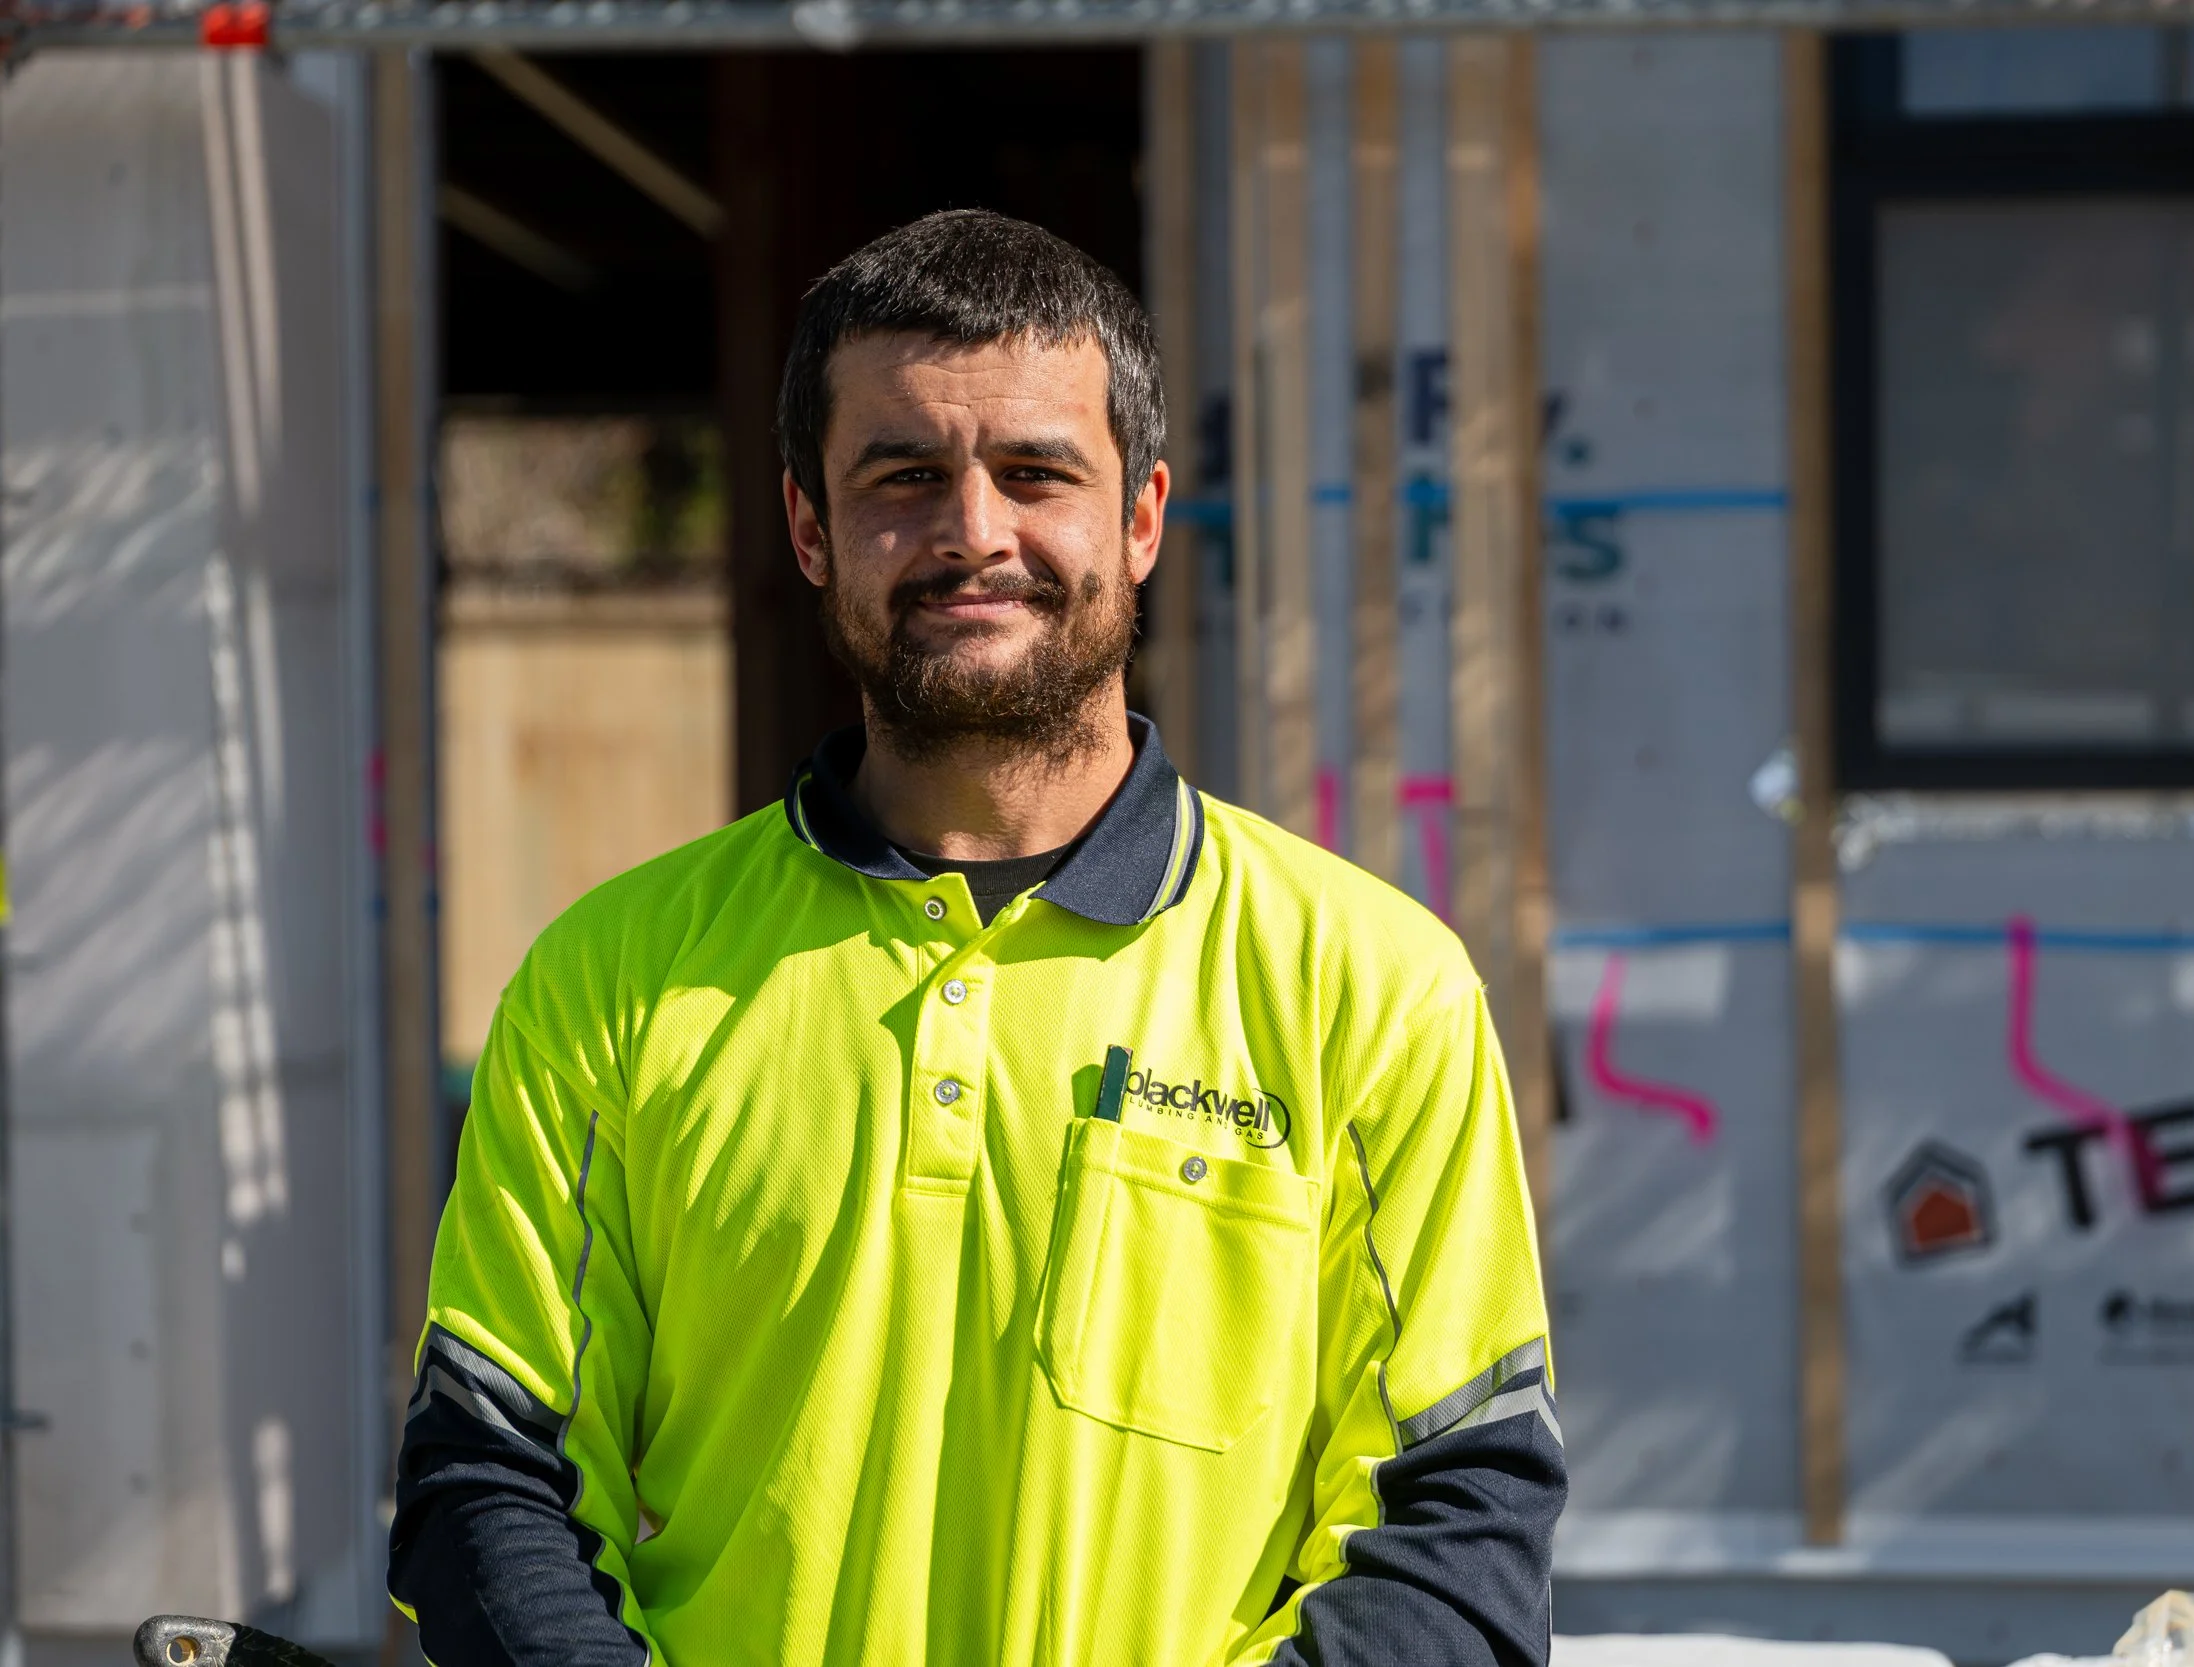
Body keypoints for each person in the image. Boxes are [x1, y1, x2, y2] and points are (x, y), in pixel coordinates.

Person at [386, 208, 1564, 1667]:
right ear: (811, 529)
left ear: (1140, 519)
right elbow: (490, 1476)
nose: (972, 531)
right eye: (904, 478)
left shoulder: (1372, 990)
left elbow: (1455, 1523)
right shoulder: (614, 980)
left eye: (1035, 472)